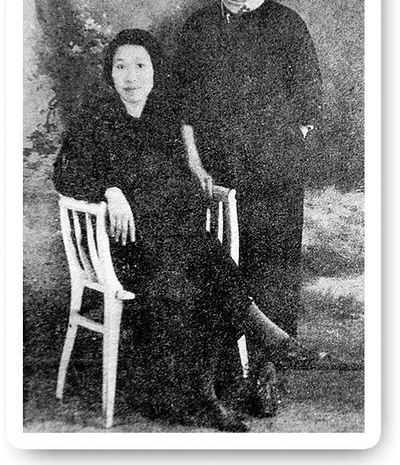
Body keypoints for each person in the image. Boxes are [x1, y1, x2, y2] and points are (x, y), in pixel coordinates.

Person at [53, 29, 331, 433]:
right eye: (120, 66)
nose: (130, 76)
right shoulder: (96, 118)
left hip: (170, 246)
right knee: (203, 264)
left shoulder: (162, 119)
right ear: (109, 73)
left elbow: (177, 187)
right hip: (120, 250)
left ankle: (205, 397)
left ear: (154, 71)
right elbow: (65, 172)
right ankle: (268, 340)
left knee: (200, 268)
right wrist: (110, 191)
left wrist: (180, 191)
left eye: (140, 65)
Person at [177, 0, 323, 360]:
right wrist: (196, 165)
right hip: (215, 170)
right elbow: (184, 104)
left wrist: (282, 149)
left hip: (275, 171)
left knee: (274, 264)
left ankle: (270, 368)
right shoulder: (199, 27)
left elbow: (309, 101)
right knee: (220, 264)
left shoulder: (286, 24)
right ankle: (225, 367)